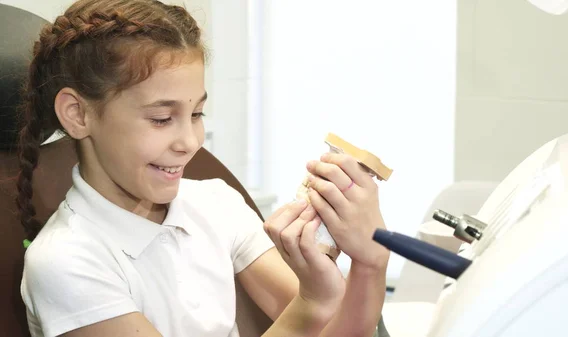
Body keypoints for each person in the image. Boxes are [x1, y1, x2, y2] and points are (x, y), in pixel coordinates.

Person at [16, 1, 390, 336]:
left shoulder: (215, 203)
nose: (190, 142)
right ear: (77, 114)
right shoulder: (65, 262)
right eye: (162, 118)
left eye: (196, 113)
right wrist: (311, 301)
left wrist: (370, 261)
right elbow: (314, 309)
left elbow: (338, 326)